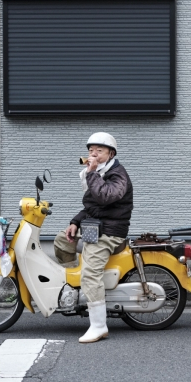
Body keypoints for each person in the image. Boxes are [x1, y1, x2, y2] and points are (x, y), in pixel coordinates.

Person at [53, 132, 133, 343]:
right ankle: (74, 287)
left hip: (111, 232)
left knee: (90, 273)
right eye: (91, 151)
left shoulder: (117, 175)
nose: (93, 154)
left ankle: (99, 326)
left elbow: (105, 197)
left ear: (111, 153)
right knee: (62, 240)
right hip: (96, 226)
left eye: (99, 151)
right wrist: (75, 222)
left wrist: (91, 172)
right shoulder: (100, 173)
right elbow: (91, 206)